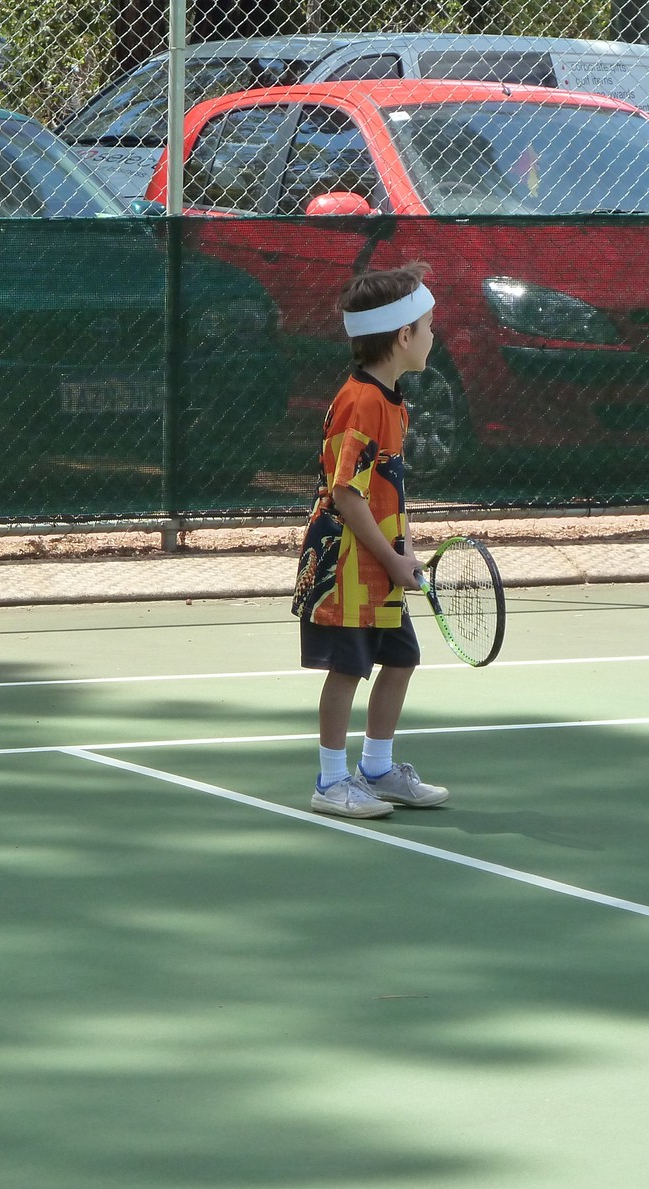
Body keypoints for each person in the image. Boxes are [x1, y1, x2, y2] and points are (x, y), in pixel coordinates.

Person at [290, 262, 452, 820]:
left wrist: (404, 550)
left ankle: (377, 770)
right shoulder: (361, 403)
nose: (434, 336)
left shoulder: (392, 401)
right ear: (404, 335)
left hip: (381, 564)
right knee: (347, 669)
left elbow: (387, 489)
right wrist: (390, 557)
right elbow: (346, 495)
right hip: (345, 568)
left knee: (400, 658)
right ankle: (331, 782)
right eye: (429, 327)